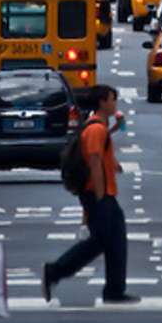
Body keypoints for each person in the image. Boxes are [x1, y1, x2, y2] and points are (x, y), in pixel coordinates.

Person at [44, 85, 140, 304]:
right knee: (101, 241)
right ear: (102, 102)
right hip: (100, 194)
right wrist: (100, 198)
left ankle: (114, 290)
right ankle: (56, 270)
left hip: (101, 194)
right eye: (112, 99)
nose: (115, 104)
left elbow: (101, 155)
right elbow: (95, 162)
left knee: (113, 240)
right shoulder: (96, 129)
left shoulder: (98, 127)